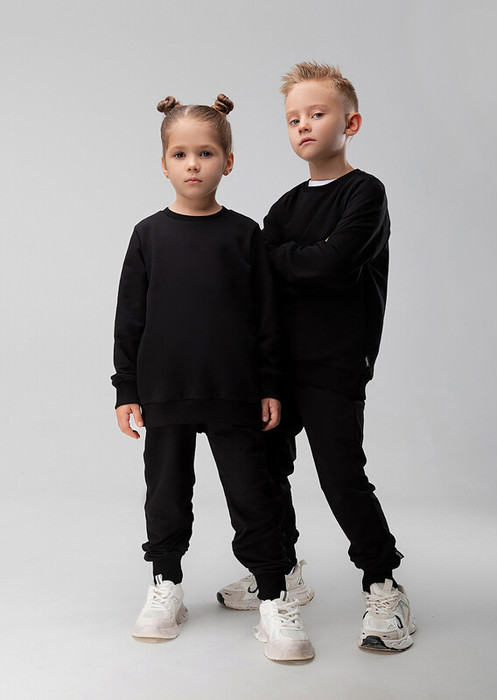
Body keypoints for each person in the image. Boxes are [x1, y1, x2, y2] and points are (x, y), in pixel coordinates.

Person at [218, 63, 416, 652]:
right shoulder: (284, 207)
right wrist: (301, 259)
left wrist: (292, 258)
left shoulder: (366, 193)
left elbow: (332, 265)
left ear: (350, 124)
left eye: (317, 114)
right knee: (267, 470)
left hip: (335, 364)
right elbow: (269, 277)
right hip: (278, 367)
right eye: (293, 119)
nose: (303, 125)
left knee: (341, 475)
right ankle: (283, 572)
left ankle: (383, 583)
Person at [111, 93, 314, 662]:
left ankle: (273, 597)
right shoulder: (148, 235)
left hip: (235, 391)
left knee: (253, 495)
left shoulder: (245, 234)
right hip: (165, 392)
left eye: (205, 152)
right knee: (166, 493)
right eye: (180, 154)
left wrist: (270, 384)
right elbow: (130, 318)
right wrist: (126, 389)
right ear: (164, 164)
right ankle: (165, 585)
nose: (193, 164)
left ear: (228, 160)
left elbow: (267, 318)